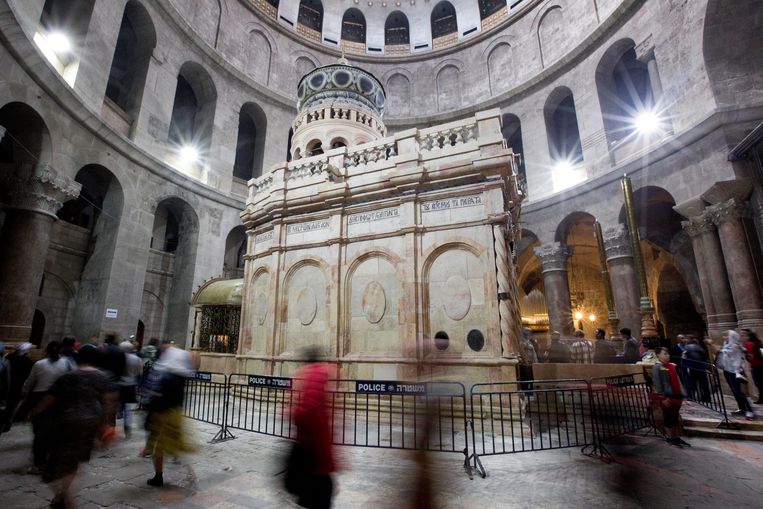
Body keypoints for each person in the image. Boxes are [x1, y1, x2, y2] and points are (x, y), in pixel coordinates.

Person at [30, 344, 111, 509]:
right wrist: (105, 425)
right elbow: (108, 401)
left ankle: (67, 500)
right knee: (73, 460)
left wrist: (35, 411)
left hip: (68, 422)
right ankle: (62, 495)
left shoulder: (69, 376)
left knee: (53, 465)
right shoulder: (102, 377)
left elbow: (50, 398)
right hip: (91, 423)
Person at [291, 347, 336, 509]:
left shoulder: (311, 377)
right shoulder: (324, 373)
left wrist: (292, 413)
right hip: (321, 449)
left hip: (313, 451)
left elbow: (306, 411)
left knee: (315, 492)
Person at [144, 341, 193, 487]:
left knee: (159, 448)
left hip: (162, 415)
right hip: (175, 414)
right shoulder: (181, 376)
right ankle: (183, 466)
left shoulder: (165, 376)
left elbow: (156, 395)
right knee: (174, 444)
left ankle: (158, 476)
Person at [22, 341, 72, 474]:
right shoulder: (66, 363)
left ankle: (39, 463)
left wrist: (25, 396)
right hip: (60, 400)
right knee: (56, 430)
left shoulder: (39, 364)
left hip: (41, 397)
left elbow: (29, 383)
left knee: (39, 433)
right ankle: (52, 459)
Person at [652, 347, 689, 447]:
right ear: (658, 355)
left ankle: (676, 437)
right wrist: (662, 397)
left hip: (676, 394)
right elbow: (657, 382)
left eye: (667, 354)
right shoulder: (658, 367)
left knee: (675, 416)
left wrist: (683, 394)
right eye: (664, 354)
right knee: (669, 416)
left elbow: (677, 379)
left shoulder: (669, 366)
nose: (667, 355)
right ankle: (669, 437)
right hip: (667, 395)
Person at [716, 330, 754, 420]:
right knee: (734, 391)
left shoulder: (735, 346)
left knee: (738, 391)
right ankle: (741, 408)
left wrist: (711, 345)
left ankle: (749, 411)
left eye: (726, 336)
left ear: (732, 336)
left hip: (734, 371)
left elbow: (724, 352)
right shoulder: (727, 344)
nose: (724, 338)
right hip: (727, 370)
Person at [1, 342, 33, 432]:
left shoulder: (9, 357)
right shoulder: (27, 361)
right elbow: (28, 375)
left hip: (5, 385)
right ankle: (7, 424)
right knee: (11, 407)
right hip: (17, 387)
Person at [118, 340, 143, 437]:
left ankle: (119, 414)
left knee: (120, 403)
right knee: (128, 408)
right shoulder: (136, 359)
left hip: (120, 383)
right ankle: (127, 425)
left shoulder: (119, 358)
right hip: (131, 384)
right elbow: (138, 373)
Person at [682, 336, 711, 403]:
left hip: (692, 368)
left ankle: (691, 397)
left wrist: (686, 368)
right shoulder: (700, 347)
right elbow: (704, 357)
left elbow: (684, 359)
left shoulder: (686, 348)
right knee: (704, 384)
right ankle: (707, 398)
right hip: (701, 368)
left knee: (692, 384)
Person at [741, 328, 763, 405]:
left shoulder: (749, 344)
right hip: (761, 364)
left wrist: (746, 354)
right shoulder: (757, 342)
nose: (742, 337)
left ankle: (761, 399)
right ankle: (761, 398)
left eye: (743, 335)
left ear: (748, 336)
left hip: (755, 365)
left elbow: (751, 357)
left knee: (758, 383)